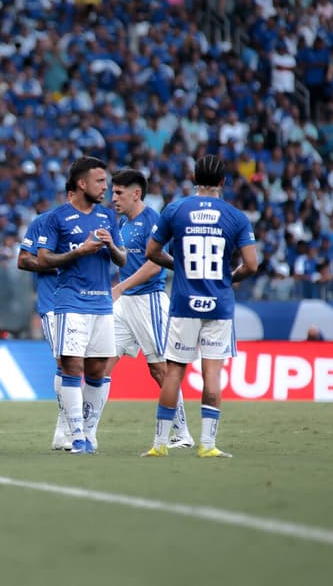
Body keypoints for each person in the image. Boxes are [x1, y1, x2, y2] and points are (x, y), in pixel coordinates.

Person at [142, 155, 258, 458]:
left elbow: (152, 251)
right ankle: (208, 445)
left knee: (174, 374)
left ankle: (159, 445)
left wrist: (177, 265)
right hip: (219, 305)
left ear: (194, 178)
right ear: (222, 182)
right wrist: (228, 277)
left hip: (183, 303)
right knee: (212, 375)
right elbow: (252, 264)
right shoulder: (235, 216)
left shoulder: (176, 210)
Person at [37, 156, 125, 454]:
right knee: (72, 366)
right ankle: (76, 436)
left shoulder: (107, 217)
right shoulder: (57, 218)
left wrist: (111, 245)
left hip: (102, 304)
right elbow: (44, 258)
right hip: (70, 302)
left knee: (98, 371)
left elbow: (122, 259)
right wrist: (80, 251)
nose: (106, 187)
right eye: (100, 181)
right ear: (81, 183)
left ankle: (89, 433)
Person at [106, 169, 194, 448]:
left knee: (159, 370)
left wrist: (119, 287)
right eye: (112, 191)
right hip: (125, 305)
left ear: (136, 193)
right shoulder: (122, 224)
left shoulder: (152, 221)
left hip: (149, 301)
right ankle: (83, 431)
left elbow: (155, 264)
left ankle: (182, 433)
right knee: (101, 364)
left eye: (119, 192)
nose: (113, 197)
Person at [18, 184, 69, 451]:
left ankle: (75, 428)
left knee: (85, 366)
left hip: (88, 304)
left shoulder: (97, 223)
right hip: (53, 304)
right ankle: (65, 429)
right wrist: (58, 260)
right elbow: (23, 260)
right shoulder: (44, 222)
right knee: (65, 363)